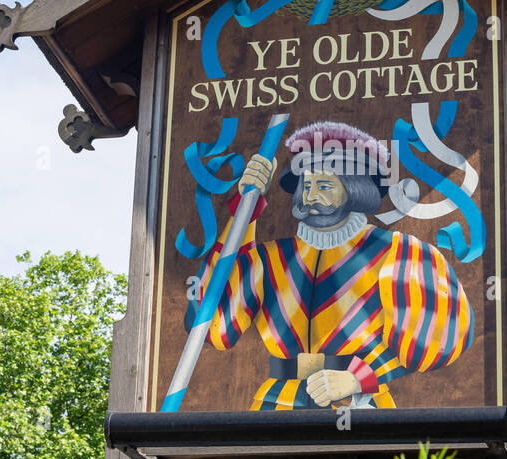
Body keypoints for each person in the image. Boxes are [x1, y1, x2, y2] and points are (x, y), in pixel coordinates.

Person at [186, 120, 473, 410]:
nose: (310, 197)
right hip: (276, 408)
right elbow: (213, 328)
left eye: (323, 185)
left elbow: (437, 339)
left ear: (354, 188)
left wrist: (359, 377)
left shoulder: (398, 253)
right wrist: (245, 209)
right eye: (306, 185)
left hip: (360, 407)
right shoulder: (266, 258)